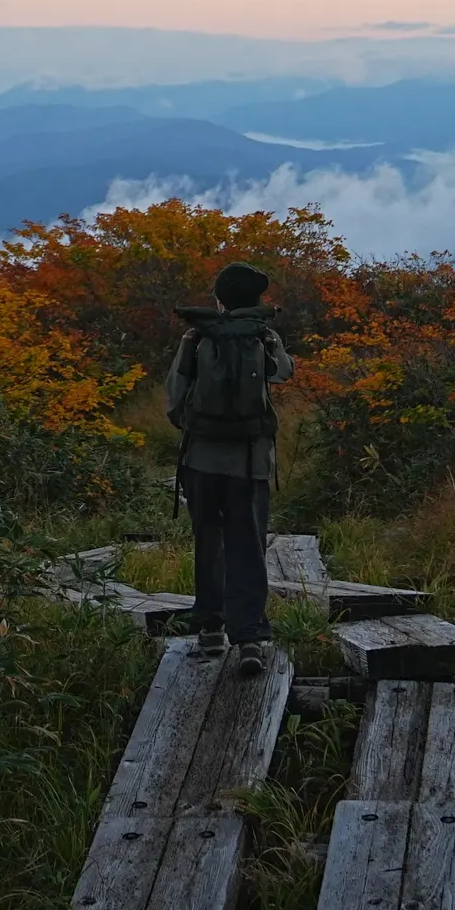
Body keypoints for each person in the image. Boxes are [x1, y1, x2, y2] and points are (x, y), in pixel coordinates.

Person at [165, 262, 292, 676]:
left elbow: (175, 395)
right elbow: (284, 373)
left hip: (202, 459)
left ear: (219, 299)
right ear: (256, 301)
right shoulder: (264, 334)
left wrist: (191, 426)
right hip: (251, 462)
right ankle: (250, 638)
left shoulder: (197, 334)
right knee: (247, 545)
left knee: (208, 539)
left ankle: (210, 630)